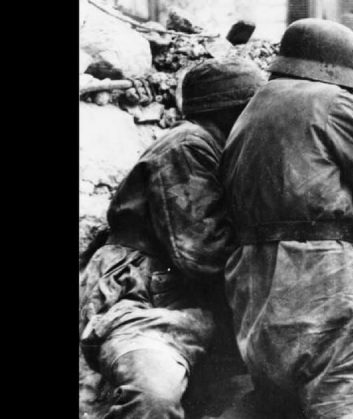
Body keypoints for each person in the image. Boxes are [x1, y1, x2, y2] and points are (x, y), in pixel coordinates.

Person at [221, 18, 353, 419]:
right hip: (324, 287)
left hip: (257, 298)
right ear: (338, 71)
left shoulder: (253, 109)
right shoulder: (331, 102)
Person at [79, 58, 267, 419]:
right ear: (234, 112)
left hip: (187, 303)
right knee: (154, 394)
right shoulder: (187, 144)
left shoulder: (220, 151)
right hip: (141, 298)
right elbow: (203, 252)